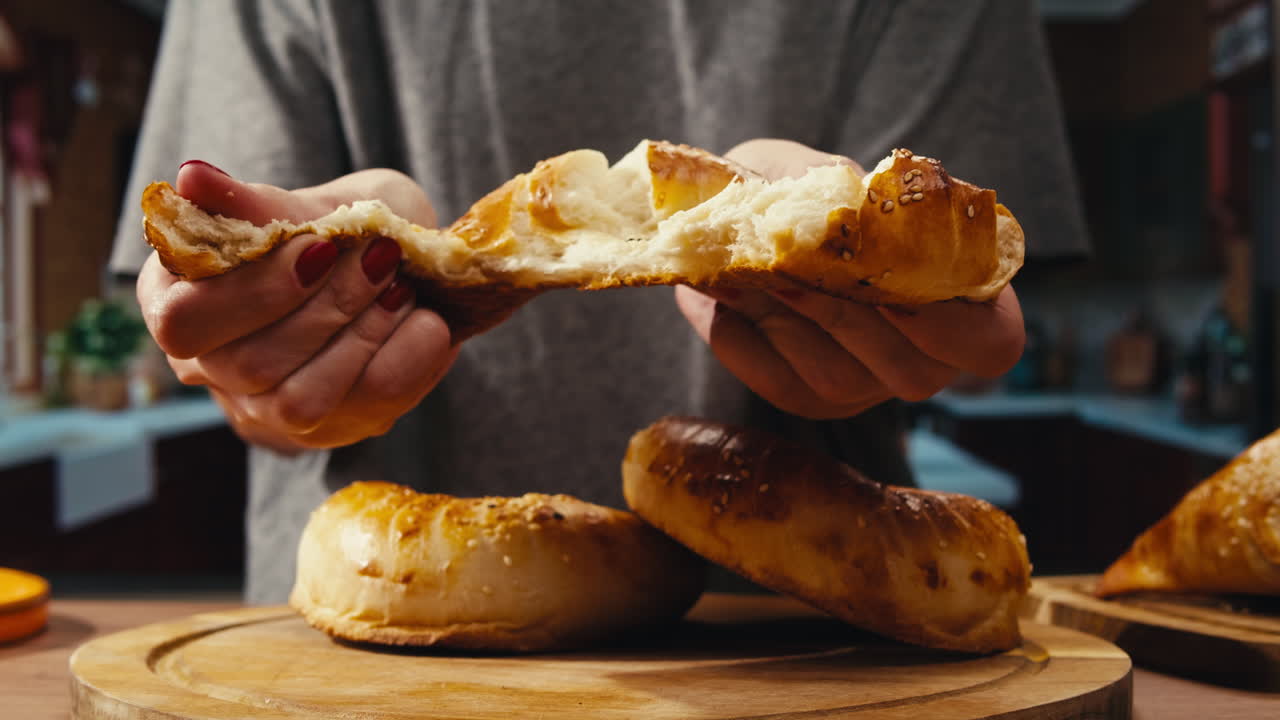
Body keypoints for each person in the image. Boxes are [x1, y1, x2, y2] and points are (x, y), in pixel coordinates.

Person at [110, 1, 1088, 604]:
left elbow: (968, 281)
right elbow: (223, 332)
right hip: (357, 654)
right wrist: (273, 337)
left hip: (802, 647)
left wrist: (846, 249)